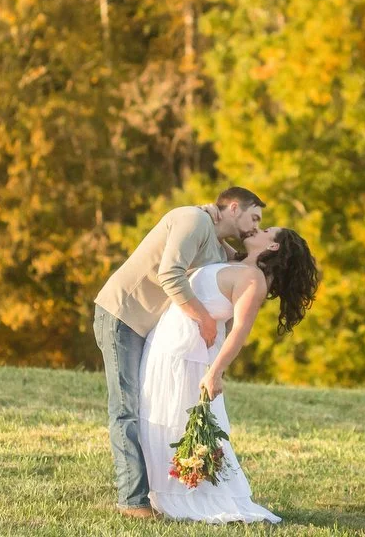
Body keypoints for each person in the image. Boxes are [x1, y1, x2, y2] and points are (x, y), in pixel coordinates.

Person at [93, 187, 265, 520]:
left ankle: (153, 493)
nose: (256, 227)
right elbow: (169, 274)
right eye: (254, 218)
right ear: (233, 208)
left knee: (142, 407)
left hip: (148, 326)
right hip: (123, 316)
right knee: (126, 409)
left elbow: (240, 267)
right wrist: (204, 320)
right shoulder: (193, 219)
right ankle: (132, 501)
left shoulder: (216, 242)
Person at [138, 226, 319, 523]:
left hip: (188, 358)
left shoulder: (253, 280)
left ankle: (184, 495)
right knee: (157, 417)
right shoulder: (237, 262)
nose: (257, 228)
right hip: (166, 347)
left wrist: (215, 373)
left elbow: (239, 332)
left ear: (273, 247)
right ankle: (156, 492)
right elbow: (215, 228)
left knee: (176, 421)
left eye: (266, 230)